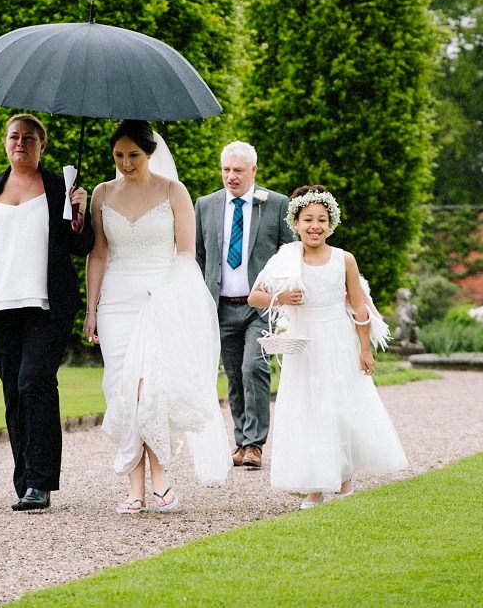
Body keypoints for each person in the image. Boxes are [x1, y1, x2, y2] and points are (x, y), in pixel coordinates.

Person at [84, 120, 231, 514]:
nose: (126, 163)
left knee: (151, 390)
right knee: (123, 390)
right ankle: (134, 486)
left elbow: (186, 253)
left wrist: (167, 291)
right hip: (117, 302)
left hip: (160, 298)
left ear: (149, 154)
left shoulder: (173, 191)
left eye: (133, 155)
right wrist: (91, 309)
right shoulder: (100, 194)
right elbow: (98, 254)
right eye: (119, 155)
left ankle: (160, 475)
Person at [0, 114, 94, 511]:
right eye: (14, 137)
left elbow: (82, 245)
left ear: (42, 146)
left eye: (29, 138)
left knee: (34, 383)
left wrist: (80, 215)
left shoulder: (58, 188)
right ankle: (25, 479)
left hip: (47, 306)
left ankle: (40, 482)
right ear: (4, 143)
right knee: (13, 391)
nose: (20, 143)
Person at [249, 185, 407, 509]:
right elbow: (255, 296)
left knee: (339, 411)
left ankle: (345, 481)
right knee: (309, 412)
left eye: (322, 219)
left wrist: (364, 350)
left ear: (331, 223)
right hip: (304, 344)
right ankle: (316, 486)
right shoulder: (286, 259)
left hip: (338, 342)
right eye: (308, 219)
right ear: (296, 222)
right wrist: (280, 297)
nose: (314, 226)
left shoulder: (343, 259)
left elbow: (359, 308)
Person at [194, 141, 294, 469]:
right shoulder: (206, 205)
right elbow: (198, 254)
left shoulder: (276, 204)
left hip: (260, 307)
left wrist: (280, 293)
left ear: (254, 170)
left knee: (255, 367)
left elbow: (288, 253)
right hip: (220, 307)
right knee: (234, 375)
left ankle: (255, 444)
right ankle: (241, 441)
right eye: (226, 170)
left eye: (238, 170)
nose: (231, 177)